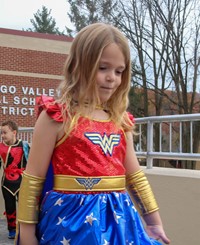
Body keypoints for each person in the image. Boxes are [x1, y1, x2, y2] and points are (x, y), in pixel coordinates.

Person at [16, 23, 170, 245]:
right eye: (103, 68)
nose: (112, 78)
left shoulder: (120, 121)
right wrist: (27, 235)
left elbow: (134, 176)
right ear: (78, 66)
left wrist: (154, 222)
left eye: (119, 71)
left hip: (120, 221)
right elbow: (33, 180)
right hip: (69, 223)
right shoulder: (56, 116)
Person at [0, 120, 30, 239]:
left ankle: (25, 229)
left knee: (25, 207)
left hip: (22, 181)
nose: (2, 136)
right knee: (9, 207)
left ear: (14, 132)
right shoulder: (0, 148)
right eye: (1, 133)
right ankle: (12, 229)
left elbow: (31, 163)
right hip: (6, 183)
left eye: (5, 133)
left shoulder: (24, 146)